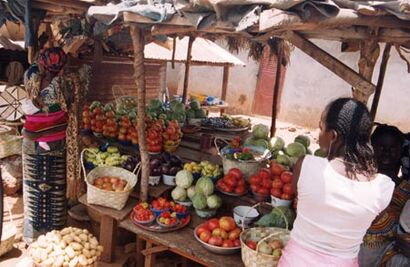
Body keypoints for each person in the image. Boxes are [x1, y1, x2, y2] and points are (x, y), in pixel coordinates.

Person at [278, 98, 395, 267]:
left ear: (333, 136)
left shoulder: (306, 166)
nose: (319, 134)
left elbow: (301, 195)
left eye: (321, 128)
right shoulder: (382, 187)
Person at [359, 124, 410, 266]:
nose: (386, 152)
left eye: (393, 148)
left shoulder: (406, 192)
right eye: (381, 147)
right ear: (371, 148)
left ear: (400, 151)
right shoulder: (358, 181)